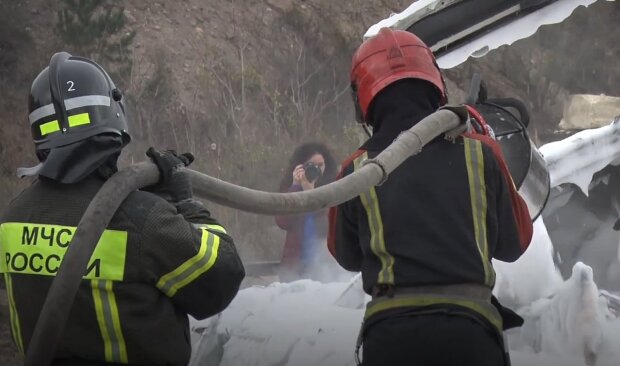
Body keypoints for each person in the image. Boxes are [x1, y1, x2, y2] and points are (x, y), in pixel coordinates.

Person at [0, 52, 245, 365]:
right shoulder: (143, 220)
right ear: (112, 114)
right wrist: (185, 203)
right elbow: (221, 280)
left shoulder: (13, 216)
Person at [327, 28, 533, 365]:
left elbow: (346, 255)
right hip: (469, 337)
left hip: (391, 341)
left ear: (362, 99)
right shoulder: (481, 155)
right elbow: (516, 243)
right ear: (434, 82)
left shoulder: (356, 172)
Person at [275, 142, 337, 281]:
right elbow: (282, 222)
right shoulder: (290, 187)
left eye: (320, 165)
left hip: (326, 265)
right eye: (311, 165)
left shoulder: (334, 186)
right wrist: (296, 188)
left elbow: (330, 224)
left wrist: (312, 193)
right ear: (300, 167)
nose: (316, 170)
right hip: (295, 266)